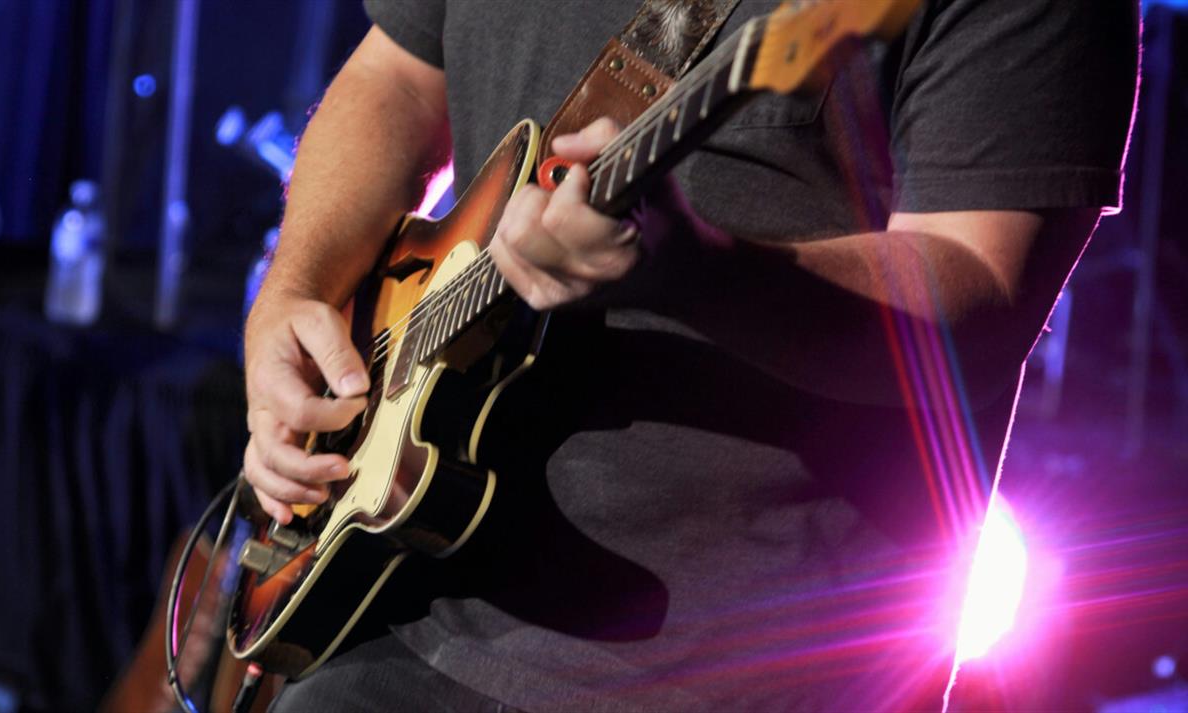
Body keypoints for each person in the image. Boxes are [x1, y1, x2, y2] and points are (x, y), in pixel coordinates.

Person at [243, 1, 1138, 710]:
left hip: (740, 671)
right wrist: (295, 288)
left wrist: (696, 269)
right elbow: (396, 73)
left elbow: (979, 293)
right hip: (395, 602)